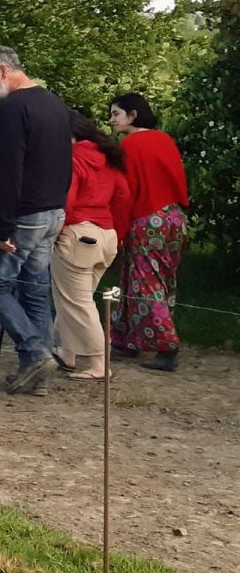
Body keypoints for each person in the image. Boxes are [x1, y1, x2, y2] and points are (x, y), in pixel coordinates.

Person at [0, 46, 72, 396]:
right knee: (34, 291)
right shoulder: (54, 104)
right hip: (52, 212)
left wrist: (3, 225)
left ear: (1, 71)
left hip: (23, 215)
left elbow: (7, 173)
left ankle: (34, 353)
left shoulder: (12, 112)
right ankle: (38, 375)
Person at [108, 92, 189, 371]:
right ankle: (127, 338)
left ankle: (166, 346)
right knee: (160, 279)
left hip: (147, 217)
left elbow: (125, 193)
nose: (112, 120)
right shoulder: (165, 140)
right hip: (174, 216)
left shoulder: (130, 146)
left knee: (145, 281)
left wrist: (117, 231)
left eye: (116, 114)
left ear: (132, 115)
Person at [51, 110, 131, 380]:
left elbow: (66, 201)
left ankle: (99, 363)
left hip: (78, 234)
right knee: (72, 298)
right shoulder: (109, 157)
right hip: (106, 235)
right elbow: (122, 197)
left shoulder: (72, 158)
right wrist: (117, 235)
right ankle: (68, 352)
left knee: (77, 302)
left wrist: (54, 231)